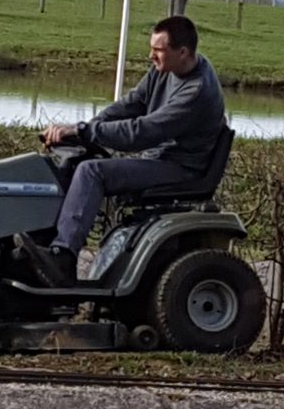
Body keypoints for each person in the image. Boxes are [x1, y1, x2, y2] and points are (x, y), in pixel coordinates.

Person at [18, 15, 227, 287]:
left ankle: (63, 257)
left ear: (183, 52)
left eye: (158, 50)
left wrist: (83, 131)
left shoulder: (196, 92)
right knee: (76, 160)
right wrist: (90, 128)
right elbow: (133, 103)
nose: (151, 56)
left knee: (92, 171)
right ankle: (41, 246)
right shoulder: (166, 69)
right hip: (159, 159)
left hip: (181, 169)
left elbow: (142, 132)